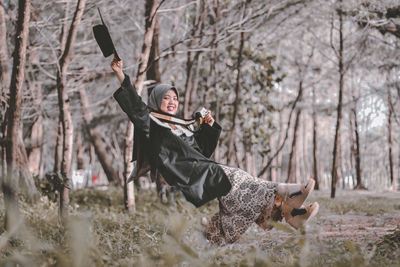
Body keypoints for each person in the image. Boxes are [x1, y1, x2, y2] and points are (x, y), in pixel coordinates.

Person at [111, 57, 319, 246]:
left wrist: (208, 127)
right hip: (185, 172)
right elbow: (136, 108)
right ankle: (287, 191)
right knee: (236, 177)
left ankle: (288, 214)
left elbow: (201, 150)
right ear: (156, 101)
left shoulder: (180, 126)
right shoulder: (152, 123)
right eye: (166, 98)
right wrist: (121, 74)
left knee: (237, 207)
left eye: (175, 98)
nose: (172, 101)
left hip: (200, 168)